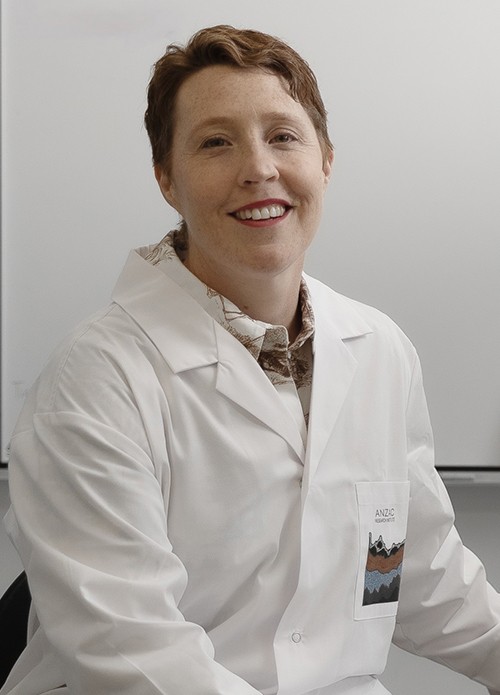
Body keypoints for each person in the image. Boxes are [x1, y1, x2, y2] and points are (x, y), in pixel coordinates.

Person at [1, 24, 500, 695]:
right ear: (166, 178)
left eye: (284, 136)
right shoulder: (97, 378)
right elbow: (132, 652)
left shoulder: (377, 349)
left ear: (326, 160)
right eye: (216, 142)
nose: (259, 168)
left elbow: (412, 571)